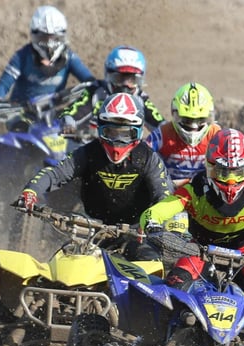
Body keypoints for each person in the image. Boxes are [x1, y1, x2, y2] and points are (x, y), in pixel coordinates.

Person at [140, 128, 244, 301]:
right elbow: (155, 212)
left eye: (239, 172)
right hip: (197, 250)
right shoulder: (195, 189)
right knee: (174, 288)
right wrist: (153, 228)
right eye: (223, 172)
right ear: (210, 168)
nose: (231, 181)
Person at [17, 92, 172, 260]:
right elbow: (56, 174)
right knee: (65, 260)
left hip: (136, 233)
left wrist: (153, 221)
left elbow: (163, 193)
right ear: (100, 129)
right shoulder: (87, 152)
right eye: (111, 132)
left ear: (138, 133)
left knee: (152, 262)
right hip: (91, 229)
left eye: (126, 134)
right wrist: (31, 191)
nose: (117, 142)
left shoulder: (147, 157)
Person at [0, 5, 94, 105]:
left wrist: (97, 89)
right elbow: (3, 84)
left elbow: (89, 80)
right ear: (34, 35)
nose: (50, 44)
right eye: (44, 38)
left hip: (51, 114)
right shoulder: (22, 56)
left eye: (55, 38)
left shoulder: (69, 57)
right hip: (21, 113)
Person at [58, 45, 164, 140]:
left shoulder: (141, 99)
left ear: (140, 80)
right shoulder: (96, 92)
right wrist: (69, 125)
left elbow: (160, 123)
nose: (125, 85)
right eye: (119, 79)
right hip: (91, 150)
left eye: (132, 80)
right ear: (108, 75)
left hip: (129, 152)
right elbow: (73, 111)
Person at [145, 82, 221, 188]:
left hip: (204, 193)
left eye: (200, 120)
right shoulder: (163, 134)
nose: (193, 126)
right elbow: (140, 155)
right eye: (187, 120)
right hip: (169, 194)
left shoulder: (216, 135)